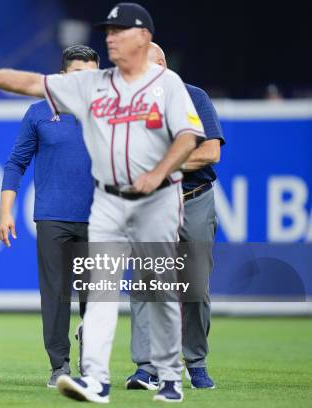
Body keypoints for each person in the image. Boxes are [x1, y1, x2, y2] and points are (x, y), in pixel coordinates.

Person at [0, 2, 205, 403]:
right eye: (109, 32)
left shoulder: (162, 84)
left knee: (154, 288)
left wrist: (158, 172)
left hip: (147, 200)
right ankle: (87, 376)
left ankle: (167, 375)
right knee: (91, 297)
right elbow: (29, 84)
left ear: (144, 38)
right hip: (95, 207)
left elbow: (188, 136)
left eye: (120, 31)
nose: (112, 37)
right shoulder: (81, 93)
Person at [0, 45, 98, 388]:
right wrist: (6, 210)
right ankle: (59, 367)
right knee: (55, 295)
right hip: (53, 216)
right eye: (76, 75)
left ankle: (92, 354)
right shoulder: (39, 111)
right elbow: (16, 163)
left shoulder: (112, 114)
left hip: (101, 217)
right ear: (61, 77)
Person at [125, 42, 223, 391]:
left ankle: (194, 361)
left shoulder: (194, 97)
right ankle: (146, 367)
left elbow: (211, 152)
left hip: (193, 199)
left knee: (194, 286)